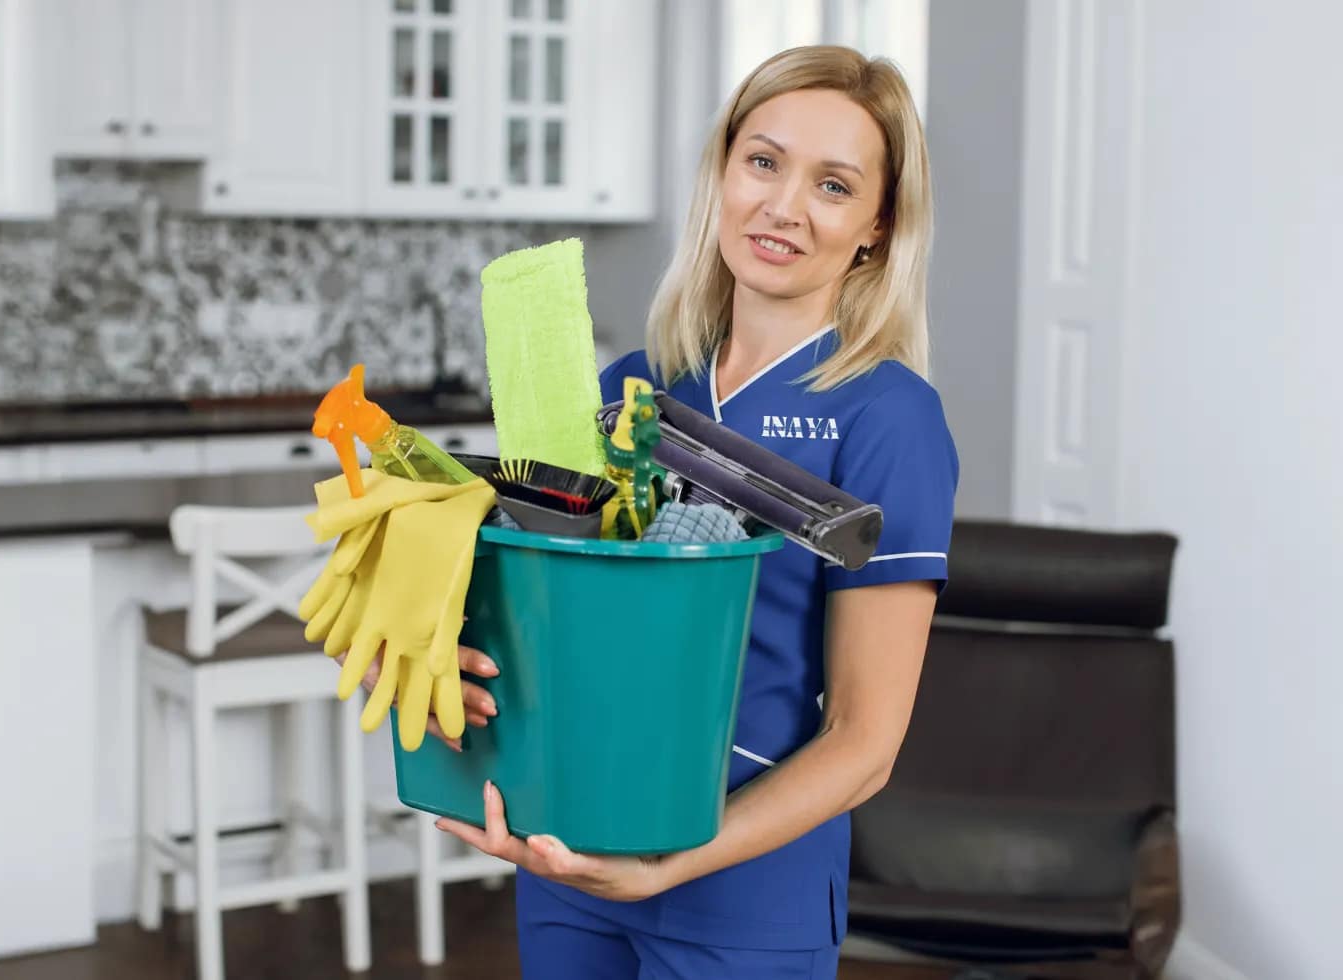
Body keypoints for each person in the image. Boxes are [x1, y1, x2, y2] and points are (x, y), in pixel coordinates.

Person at [348, 44, 958, 978]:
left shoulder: (890, 417)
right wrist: (425, 651)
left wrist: (673, 866)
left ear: (878, 223)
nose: (784, 205)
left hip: (746, 892)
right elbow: (544, 616)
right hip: (569, 857)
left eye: (833, 185)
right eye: (763, 161)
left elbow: (864, 744)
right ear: (722, 172)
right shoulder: (633, 389)